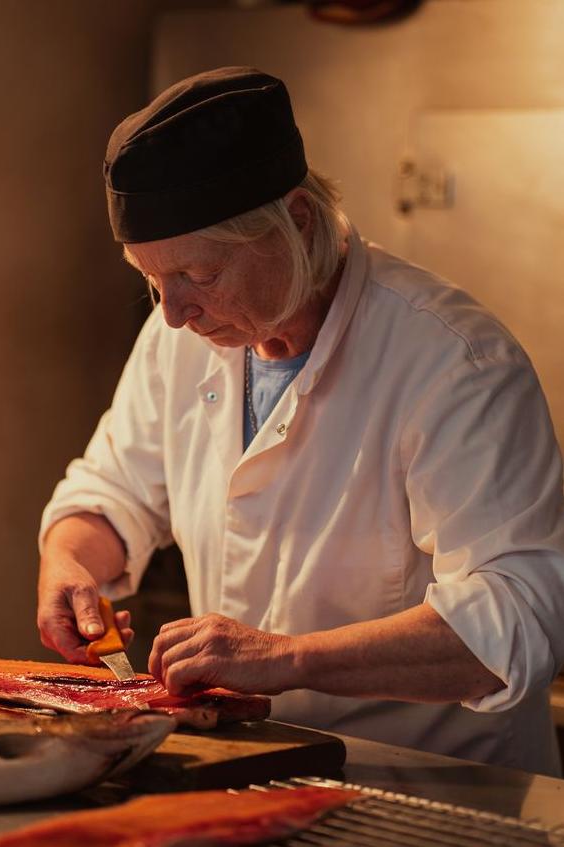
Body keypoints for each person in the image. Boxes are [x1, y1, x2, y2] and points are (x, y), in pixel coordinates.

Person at [38, 66, 564, 776]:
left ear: (297, 220)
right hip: (255, 770)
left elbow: (517, 616)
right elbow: (115, 489)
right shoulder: (182, 337)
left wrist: (283, 657)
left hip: (434, 783)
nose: (172, 312)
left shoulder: (453, 362)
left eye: (199, 275)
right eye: (152, 281)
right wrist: (69, 562)